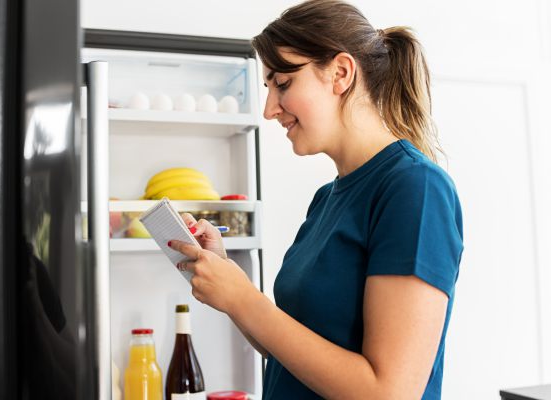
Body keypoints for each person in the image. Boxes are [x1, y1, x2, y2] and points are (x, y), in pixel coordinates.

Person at [167, 0, 464, 399]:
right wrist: (226, 279)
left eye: (282, 84)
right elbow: (287, 350)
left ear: (340, 73)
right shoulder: (326, 200)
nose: (270, 109)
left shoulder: (415, 188)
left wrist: (244, 298)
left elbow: (389, 392)